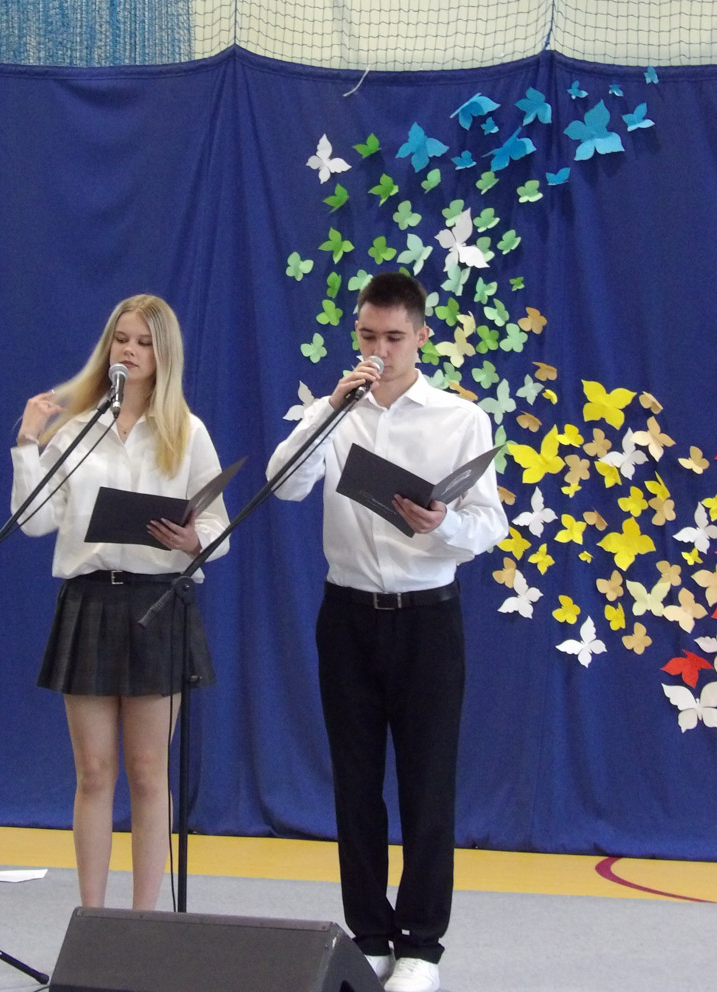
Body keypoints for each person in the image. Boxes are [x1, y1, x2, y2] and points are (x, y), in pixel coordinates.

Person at [267, 273, 508, 992]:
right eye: (369, 336)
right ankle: (370, 935)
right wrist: (326, 412)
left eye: (394, 338)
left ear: (422, 336)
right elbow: (283, 484)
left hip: (427, 616)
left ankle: (422, 947)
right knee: (355, 784)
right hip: (346, 615)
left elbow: (489, 526)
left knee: (427, 785)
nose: (380, 350)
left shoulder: (459, 419)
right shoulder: (335, 411)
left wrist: (442, 524)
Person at [12, 293, 230, 911]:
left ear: (164, 356)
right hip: (89, 601)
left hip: (157, 604)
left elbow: (218, 526)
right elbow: (33, 521)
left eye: (143, 343)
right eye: (122, 339)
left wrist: (193, 541)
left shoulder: (187, 431)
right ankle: (93, 915)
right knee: (94, 772)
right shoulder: (76, 430)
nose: (130, 352)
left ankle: (144, 921)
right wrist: (27, 443)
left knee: (149, 772)